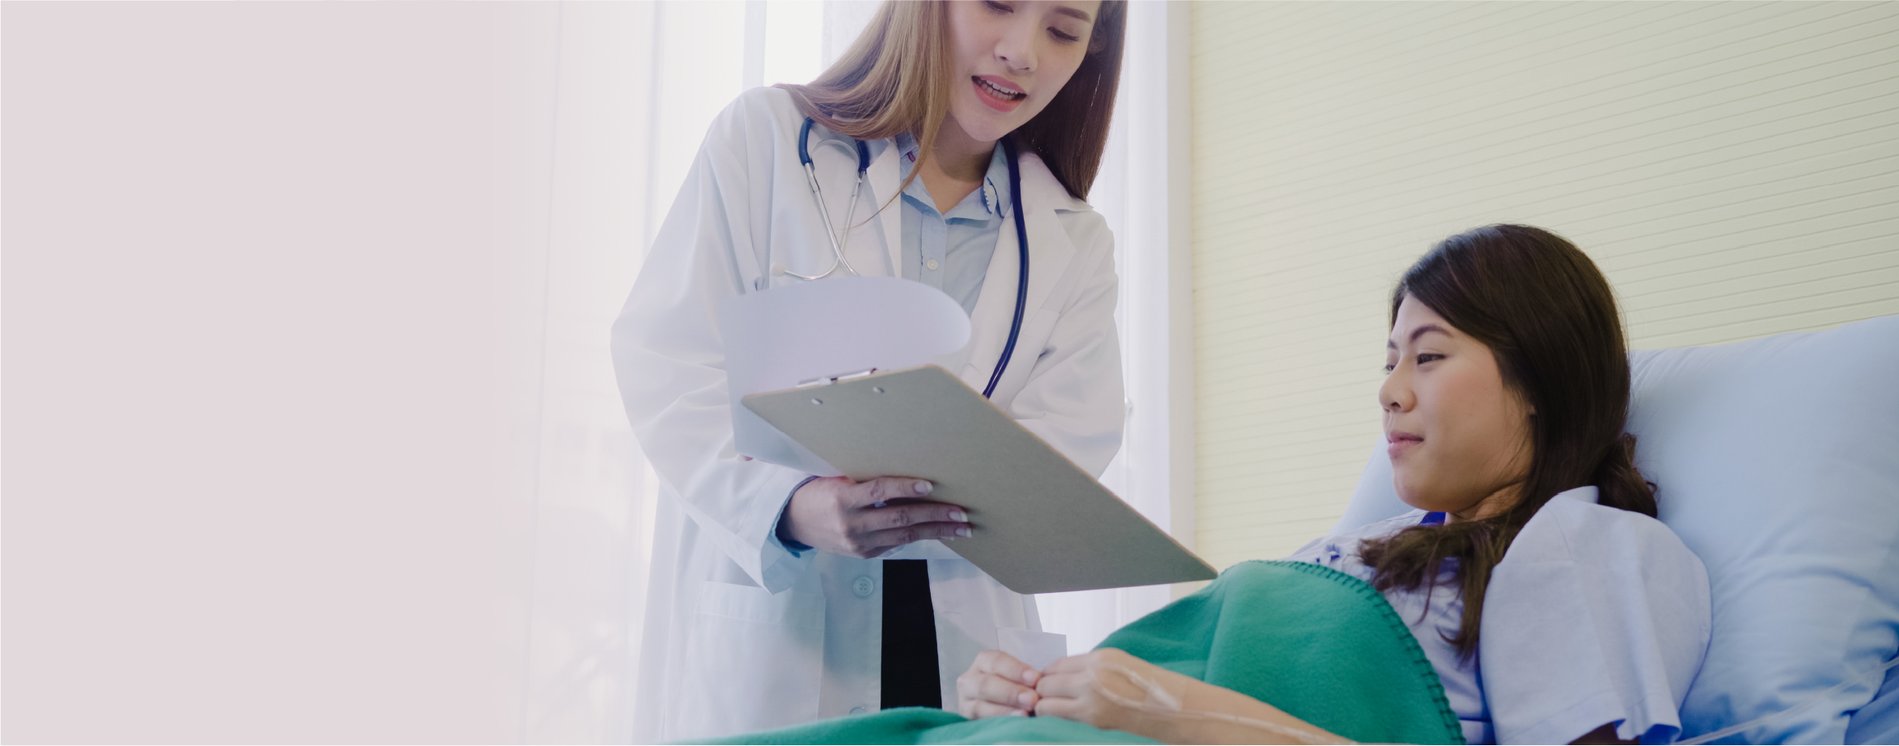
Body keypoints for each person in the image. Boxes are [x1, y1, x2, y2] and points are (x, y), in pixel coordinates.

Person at [959, 225, 1712, 744]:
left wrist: (1179, 716)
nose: (1388, 391)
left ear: (1538, 380)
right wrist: (1033, 696)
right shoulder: (1372, 545)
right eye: (1389, 360)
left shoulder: (1578, 542)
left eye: (1428, 356)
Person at [612, 0, 1128, 740]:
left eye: (1063, 30)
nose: (1023, 52)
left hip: (961, 651)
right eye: (999, 6)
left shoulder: (1074, 241)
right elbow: (669, 362)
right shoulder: (766, 142)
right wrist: (791, 506)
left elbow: (1072, 444)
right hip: (782, 632)